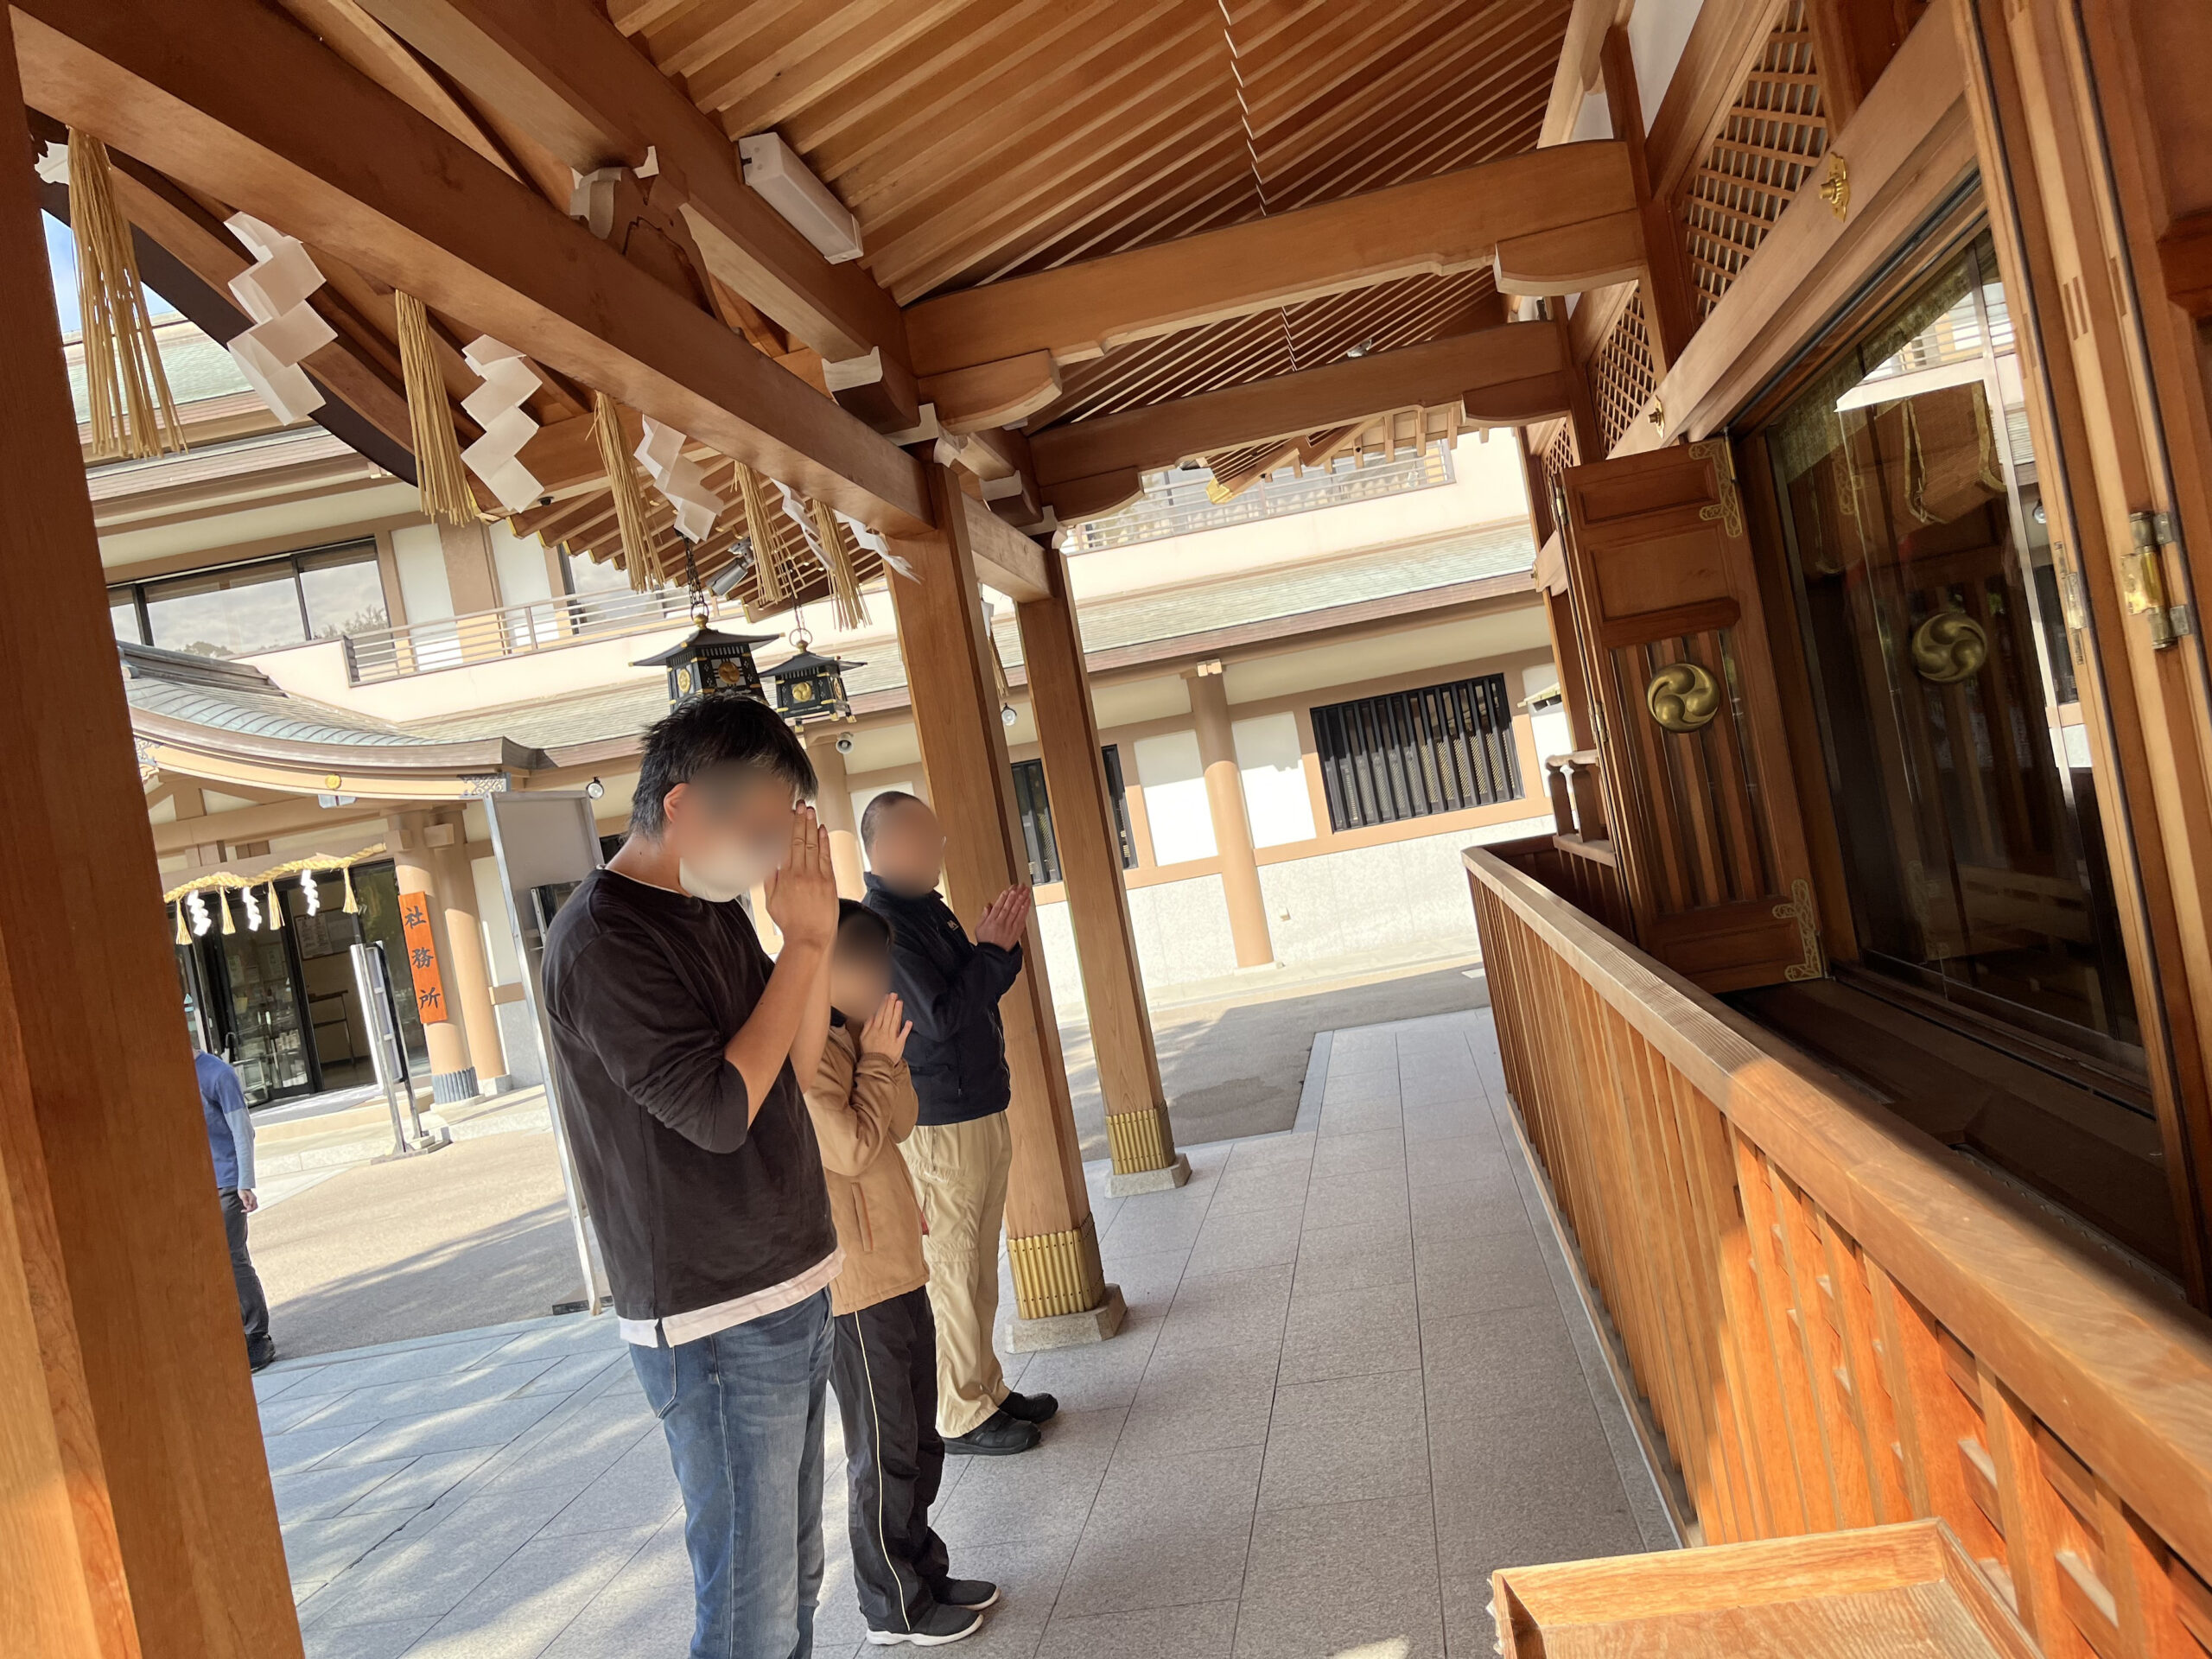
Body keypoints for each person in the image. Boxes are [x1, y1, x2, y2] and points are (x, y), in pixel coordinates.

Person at [543, 690, 844, 1659]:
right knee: (752, 1610)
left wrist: (808, 942)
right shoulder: (603, 940)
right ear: (680, 806)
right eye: (758, 831)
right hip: (714, 1317)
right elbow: (718, 1111)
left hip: (791, 1281)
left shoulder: (710, 907)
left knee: (794, 1582)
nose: (769, 854)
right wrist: (804, 944)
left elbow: (795, 1064)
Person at [805, 901, 999, 1647]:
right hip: (855, 1288)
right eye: (872, 966)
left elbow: (904, 1119)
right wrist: (877, 1061)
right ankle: (891, 1607)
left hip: (899, 1266)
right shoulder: (806, 1054)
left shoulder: (855, 1037)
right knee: (883, 1452)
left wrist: (881, 1055)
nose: (885, 980)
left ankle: (923, 1571)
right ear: (828, 968)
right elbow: (852, 1147)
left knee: (920, 1441)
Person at [860, 791, 1056, 1457]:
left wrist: (992, 952)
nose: (938, 852)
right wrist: (992, 954)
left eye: (938, 840)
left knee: (978, 1265)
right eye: (926, 841)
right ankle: (961, 1409)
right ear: (885, 848)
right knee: (953, 1266)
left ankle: (985, 1386)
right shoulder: (884, 927)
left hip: (976, 1106)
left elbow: (969, 990)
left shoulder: (926, 910)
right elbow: (939, 1018)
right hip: (940, 1121)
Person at [196, 1046, 275, 1371]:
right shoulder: (163, 1075)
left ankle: (257, 1335)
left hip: (226, 1181)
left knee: (232, 1256)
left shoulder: (217, 1074)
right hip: (191, 1185)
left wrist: (245, 1181)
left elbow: (242, 1130)